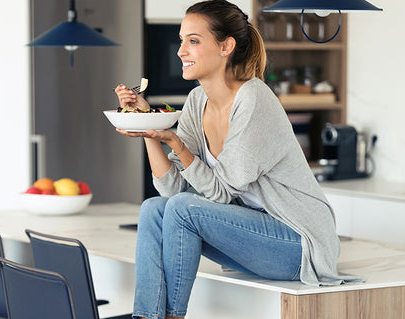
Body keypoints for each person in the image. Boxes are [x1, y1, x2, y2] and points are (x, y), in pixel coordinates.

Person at [114, 1, 363, 318]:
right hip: (254, 237)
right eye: (181, 40)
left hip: (298, 243)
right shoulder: (197, 100)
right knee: (153, 208)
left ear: (225, 46)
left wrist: (176, 141)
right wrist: (149, 125)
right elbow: (173, 190)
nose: (181, 51)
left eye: (193, 40)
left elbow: (219, 193)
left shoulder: (254, 98)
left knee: (180, 209)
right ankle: (147, 316)